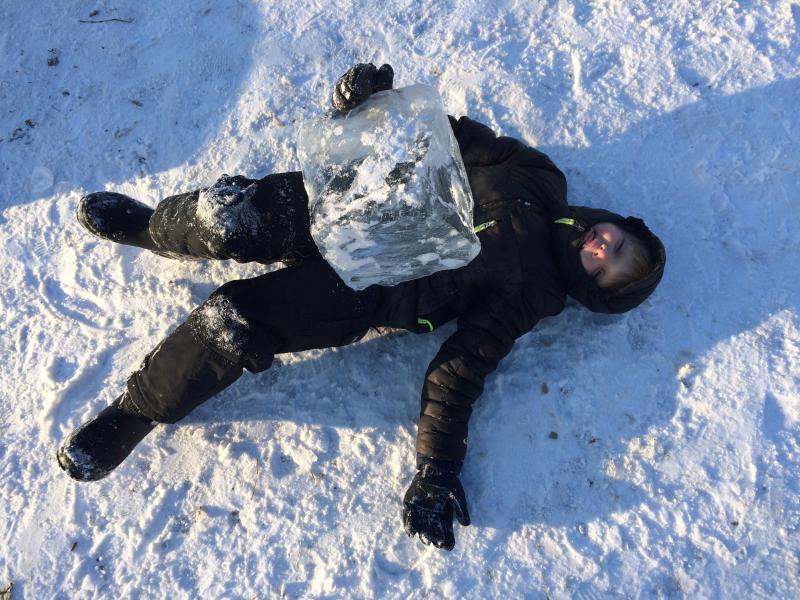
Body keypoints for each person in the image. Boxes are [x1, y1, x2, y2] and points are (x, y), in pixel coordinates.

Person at [57, 63, 666, 551]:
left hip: (368, 287)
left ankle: (137, 410)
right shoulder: (539, 177)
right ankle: (153, 229)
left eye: (604, 270)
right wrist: (375, 106)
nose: (601, 250)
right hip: (357, 200)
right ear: (618, 223)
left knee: (234, 320)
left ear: (589, 289)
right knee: (232, 218)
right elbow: (449, 134)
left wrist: (437, 468)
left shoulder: (534, 293)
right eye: (618, 244)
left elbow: (462, 367)